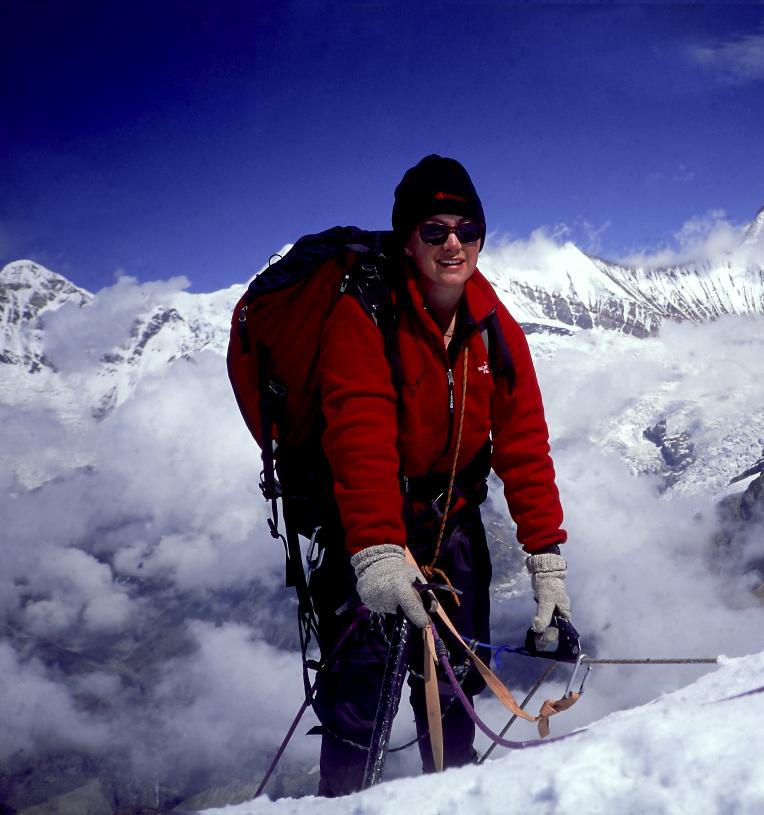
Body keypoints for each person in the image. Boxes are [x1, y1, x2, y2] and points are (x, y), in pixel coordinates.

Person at [304, 154, 573, 795]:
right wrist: (374, 550)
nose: (453, 243)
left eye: (467, 228)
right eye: (434, 230)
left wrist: (547, 561)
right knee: (359, 706)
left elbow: (523, 445)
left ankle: (454, 802)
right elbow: (358, 433)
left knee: (456, 688)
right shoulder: (364, 314)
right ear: (407, 238)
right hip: (366, 528)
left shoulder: (494, 327)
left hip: (451, 526)